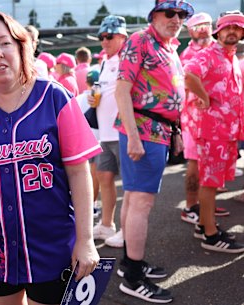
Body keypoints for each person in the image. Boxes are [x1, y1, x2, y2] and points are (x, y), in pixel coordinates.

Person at [0, 11, 100, 305]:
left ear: (21, 47)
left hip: (51, 247)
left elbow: (80, 173)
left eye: (5, 43)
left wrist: (86, 239)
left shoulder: (54, 97)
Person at [114, 0, 194, 303]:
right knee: (141, 204)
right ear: (155, 15)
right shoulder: (141, 40)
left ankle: (130, 263)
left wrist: (176, 130)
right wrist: (134, 137)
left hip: (158, 131)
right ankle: (134, 276)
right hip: (144, 131)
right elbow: (122, 89)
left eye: (181, 14)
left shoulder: (168, 46)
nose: (176, 19)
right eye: (170, 13)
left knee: (135, 199)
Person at [183, 10, 244, 254]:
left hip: (226, 132)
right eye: (227, 27)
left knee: (213, 181)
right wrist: (204, 96)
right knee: (209, 183)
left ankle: (203, 224)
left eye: (237, 28)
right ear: (218, 31)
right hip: (212, 132)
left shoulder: (232, 58)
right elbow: (188, 76)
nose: (232, 32)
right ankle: (210, 235)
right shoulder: (210, 54)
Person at [179, 12, 231, 224]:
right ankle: (191, 207)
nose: (203, 29)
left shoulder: (220, 51)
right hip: (194, 119)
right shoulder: (187, 55)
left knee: (212, 164)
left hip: (218, 120)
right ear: (189, 30)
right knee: (194, 162)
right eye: (198, 25)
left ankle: (206, 205)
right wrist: (202, 97)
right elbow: (182, 83)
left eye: (206, 24)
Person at [90, 15, 128, 249]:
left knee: (131, 187)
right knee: (104, 178)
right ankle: (107, 224)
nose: (104, 41)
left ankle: (128, 228)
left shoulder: (128, 60)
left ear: (123, 36)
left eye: (109, 36)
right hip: (104, 134)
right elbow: (101, 90)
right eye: (101, 36)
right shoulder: (105, 61)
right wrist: (92, 97)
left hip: (122, 132)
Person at [76, 70, 101, 212]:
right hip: (99, 138)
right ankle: (93, 205)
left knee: (85, 175)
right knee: (95, 174)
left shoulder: (79, 98)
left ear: (86, 83)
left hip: (83, 140)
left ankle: (90, 206)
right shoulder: (100, 96)